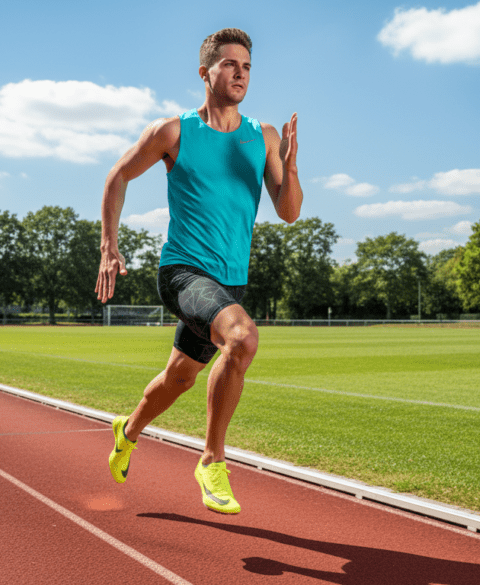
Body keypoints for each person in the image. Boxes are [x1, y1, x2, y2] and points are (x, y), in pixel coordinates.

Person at [95, 28, 302, 515]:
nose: (240, 74)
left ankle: (127, 431)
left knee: (179, 378)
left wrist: (290, 169)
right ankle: (211, 460)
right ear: (205, 72)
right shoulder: (175, 132)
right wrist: (109, 245)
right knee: (243, 338)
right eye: (230, 65)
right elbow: (117, 176)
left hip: (227, 281)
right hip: (183, 272)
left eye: (247, 67)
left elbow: (289, 212)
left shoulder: (264, 137)